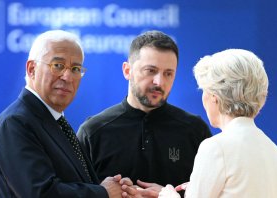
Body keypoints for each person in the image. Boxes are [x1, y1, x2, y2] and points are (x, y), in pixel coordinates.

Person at [0, 30, 127, 197]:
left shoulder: (56, 122)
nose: (68, 77)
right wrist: (103, 193)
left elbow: (77, 182)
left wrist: (115, 187)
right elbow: (41, 193)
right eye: (58, 66)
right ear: (32, 69)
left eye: (76, 68)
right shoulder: (15, 122)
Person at [77, 30, 212, 197]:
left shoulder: (195, 131)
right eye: (150, 71)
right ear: (127, 71)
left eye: (168, 74)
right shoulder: (93, 132)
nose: (159, 82)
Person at [158, 49, 277, 198]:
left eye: (204, 91)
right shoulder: (274, 151)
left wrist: (168, 195)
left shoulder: (216, 148)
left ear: (215, 96)